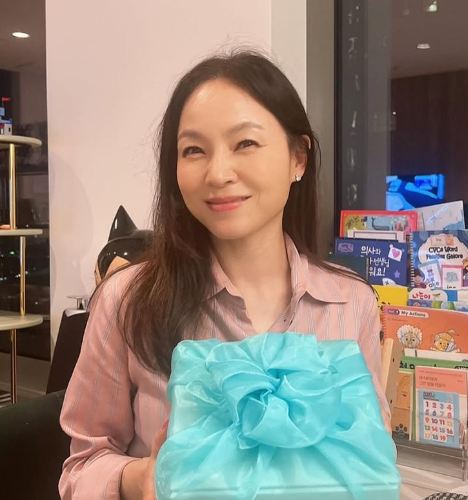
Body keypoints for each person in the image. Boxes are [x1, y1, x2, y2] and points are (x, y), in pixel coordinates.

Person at [59, 49, 390, 500]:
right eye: (193, 150)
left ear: (298, 158)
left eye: (245, 143)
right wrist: (140, 479)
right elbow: (81, 466)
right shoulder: (127, 300)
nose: (217, 173)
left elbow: (370, 457)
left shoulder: (352, 303)